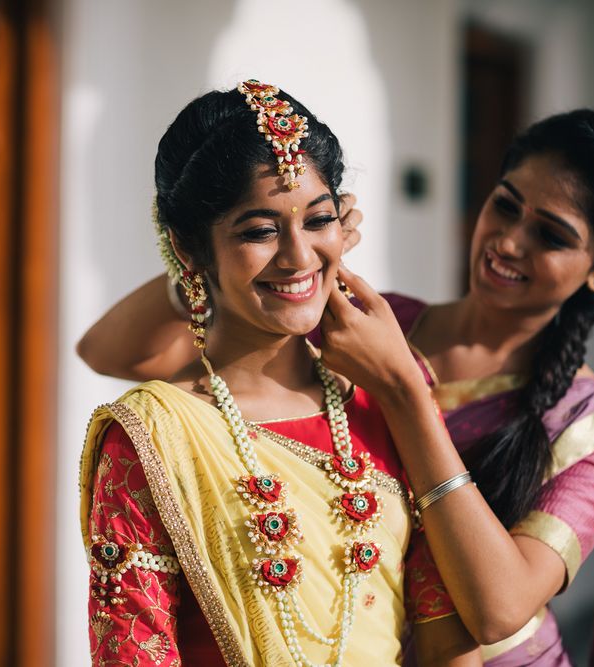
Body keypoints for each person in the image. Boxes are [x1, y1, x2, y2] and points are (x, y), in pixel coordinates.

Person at [78, 108, 594, 665]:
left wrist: (405, 394)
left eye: (551, 235)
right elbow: (112, 351)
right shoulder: (365, 325)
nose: (508, 241)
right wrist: (244, 255)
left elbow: (498, 611)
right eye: (505, 205)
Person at [80, 80, 481, 665]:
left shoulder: (381, 398)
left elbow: (449, 639)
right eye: (260, 231)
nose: (298, 257)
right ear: (189, 251)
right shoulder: (152, 436)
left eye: (319, 221)